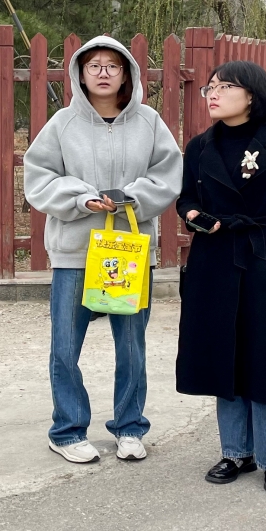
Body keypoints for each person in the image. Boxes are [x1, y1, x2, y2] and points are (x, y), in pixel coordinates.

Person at [23, 36, 182, 464]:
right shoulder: (62, 123)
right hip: (75, 250)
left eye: (113, 65)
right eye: (93, 65)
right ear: (80, 73)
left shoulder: (149, 122)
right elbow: (39, 176)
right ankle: (67, 430)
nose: (103, 73)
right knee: (65, 346)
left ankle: (129, 427)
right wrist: (81, 198)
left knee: (131, 346)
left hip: (129, 250)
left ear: (127, 72)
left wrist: (131, 198)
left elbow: (168, 174)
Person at [176, 61, 266, 492]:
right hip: (214, 261)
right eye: (210, 87)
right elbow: (186, 199)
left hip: (265, 259)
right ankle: (234, 452)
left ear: (252, 95)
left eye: (224, 87)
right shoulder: (199, 147)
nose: (213, 94)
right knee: (225, 356)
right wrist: (195, 216)